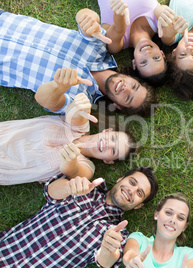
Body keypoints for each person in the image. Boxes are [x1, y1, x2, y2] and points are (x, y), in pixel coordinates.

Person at [0, 9, 156, 116]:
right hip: (6, 21)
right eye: (134, 86)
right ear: (132, 77)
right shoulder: (100, 47)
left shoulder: (80, 101)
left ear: (118, 106)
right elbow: (86, 16)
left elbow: (43, 100)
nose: (126, 89)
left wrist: (58, 87)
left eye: (128, 98)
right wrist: (87, 18)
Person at [0, 167, 159, 267]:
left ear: (139, 205)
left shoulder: (119, 235)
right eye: (132, 182)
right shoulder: (84, 188)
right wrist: (69, 187)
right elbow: (51, 193)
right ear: (120, 179)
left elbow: (105, 262)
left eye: (139, 193)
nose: (132, 190)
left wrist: (107, 248)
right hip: (6, 249)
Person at [0, 92, 134, 185]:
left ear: (108, 161)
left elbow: (74, 172)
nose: (108, 144)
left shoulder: (87, 166)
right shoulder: (79, 128)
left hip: (7, 167)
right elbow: (76, 115)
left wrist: (70, 161)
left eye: (113, 151)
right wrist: (80, 107)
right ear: (107, 130)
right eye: (112, 138)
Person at [97, 192, 193, 268]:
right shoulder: (138, 238)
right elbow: (130, 254)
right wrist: (132, 260)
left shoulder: (189, 254)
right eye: (168, 212)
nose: (173, 220)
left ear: (184, 227)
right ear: (156, 214)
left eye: (181, 218)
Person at [97, 0, 171, 86]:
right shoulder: (158, 24)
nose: (148, 53)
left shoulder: (116, 45)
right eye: (156, 57)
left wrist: (120, 14)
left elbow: (118, 28)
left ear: (134, 63)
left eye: (143, 62)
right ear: (162, 54)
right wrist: (163, 12)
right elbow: (163, 11)